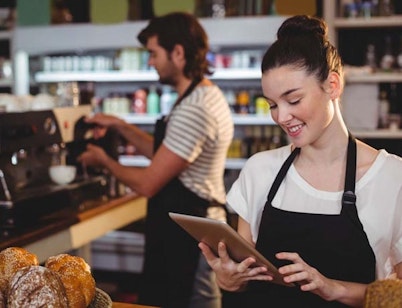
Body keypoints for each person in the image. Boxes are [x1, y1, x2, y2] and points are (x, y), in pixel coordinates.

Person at [199, 14, 402, 307]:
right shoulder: (260, 170)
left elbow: (396, 298)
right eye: (272, 105)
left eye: (293, 100)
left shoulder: (391, 177)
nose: (281, 117)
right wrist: (228, 279)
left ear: (332, 85)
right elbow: (244, 282)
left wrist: (334, 289)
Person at [77, 12, 234, 308]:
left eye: (153, 53)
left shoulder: (195, 108)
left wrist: (104, 161)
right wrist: (121, 126)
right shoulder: (199, 96)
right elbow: (166, 152)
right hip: (188, 228)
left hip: (192, 234)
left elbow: (149, 183)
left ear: (178, 52)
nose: (150, 62)